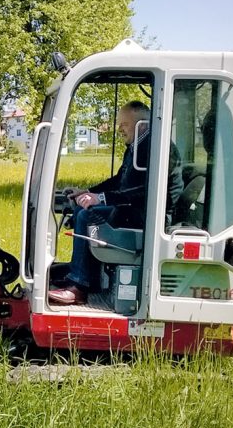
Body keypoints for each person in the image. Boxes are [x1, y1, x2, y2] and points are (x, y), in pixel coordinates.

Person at [48, 101, 183, 305]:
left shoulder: (157, 149)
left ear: (142, 125)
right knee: (81, 209)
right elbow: (119, 180)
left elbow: (147, 191)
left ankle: (80, 286)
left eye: (124, 124)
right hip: (136, 209)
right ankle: (82, 274)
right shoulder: (137, 146)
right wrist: (88, 192)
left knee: (88, 215)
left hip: (149, 216)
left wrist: (100, 198)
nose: (119, 129)